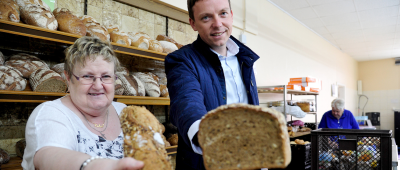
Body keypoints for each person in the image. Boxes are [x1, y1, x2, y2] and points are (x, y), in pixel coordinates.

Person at [22, 37, 144, 170]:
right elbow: (50, 155)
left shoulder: (125, 112)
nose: (98, 86)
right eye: (87, 76)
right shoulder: (51, 113)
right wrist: (93, 166)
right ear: (68, 78)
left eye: (106, 76)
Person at [165, 0, 260, 169]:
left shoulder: (245, 60)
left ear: (231, 16)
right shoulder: (182, 60)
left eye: (223, 13)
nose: (217, 24)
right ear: (193, 24)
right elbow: (187, 104)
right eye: (206, 17)